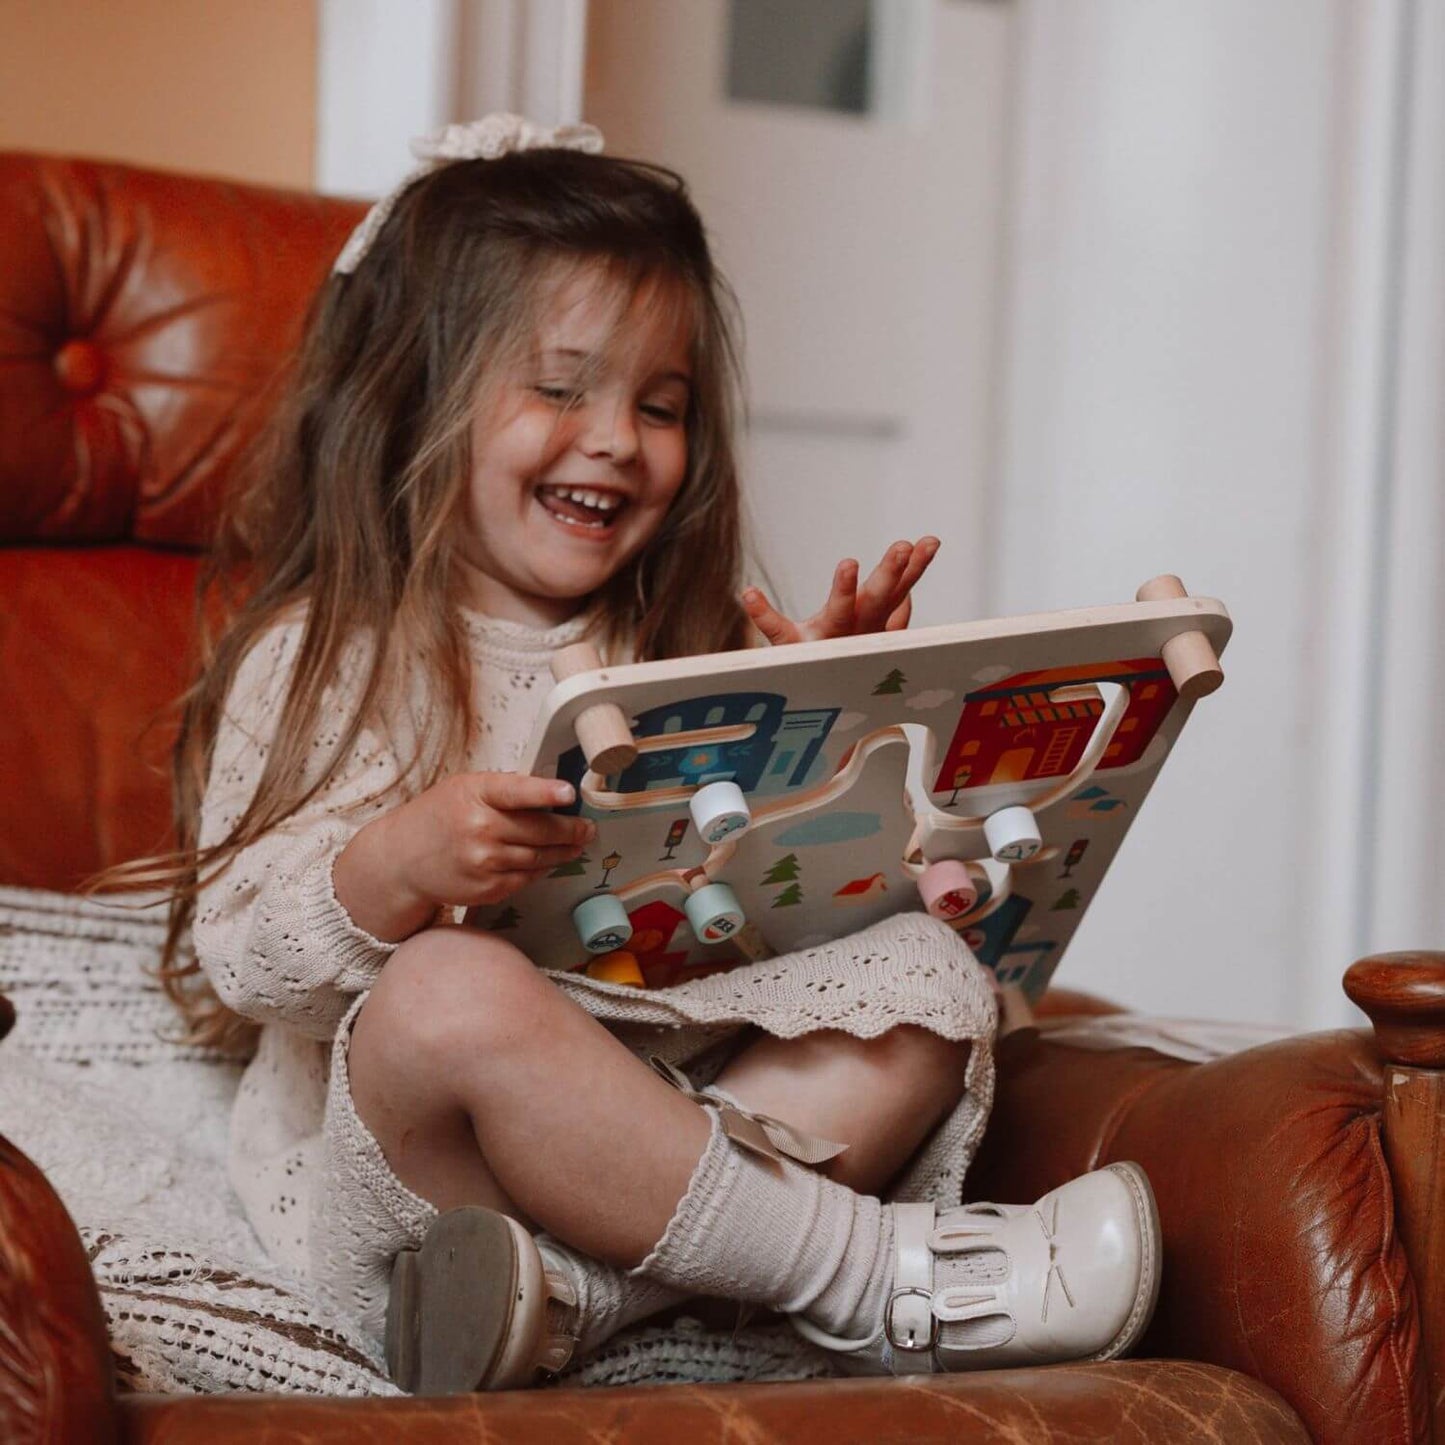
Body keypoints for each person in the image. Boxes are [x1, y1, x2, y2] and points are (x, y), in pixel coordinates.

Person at [154, 114, 1159, 1393]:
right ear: (416, 392)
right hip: (428, 1181)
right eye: (560, 387)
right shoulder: (324, 650)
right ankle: (871, 1275)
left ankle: (590, 1302)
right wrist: (394, 864)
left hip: (671, 1134)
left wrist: (844, 747)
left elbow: (761, 925)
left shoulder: (680, 643)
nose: (618, 438)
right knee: (448, 990)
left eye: (660, 403)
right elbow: (242, 956)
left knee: (924, 973)